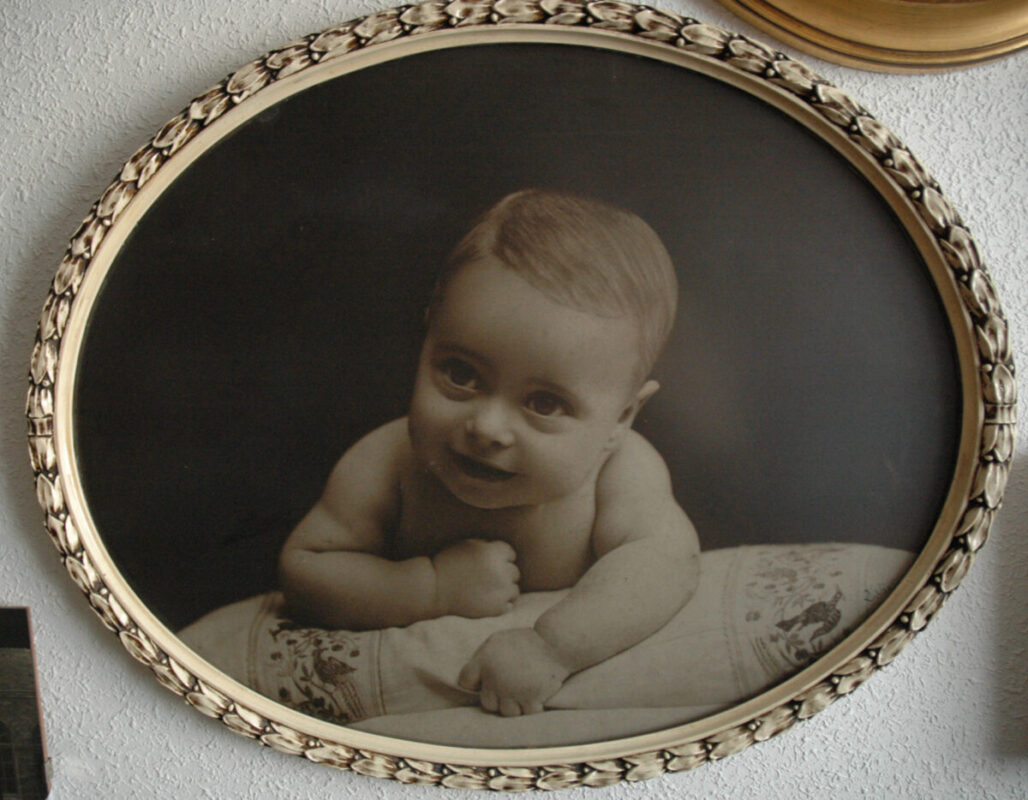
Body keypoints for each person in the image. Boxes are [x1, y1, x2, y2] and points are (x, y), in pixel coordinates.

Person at [279, 189, 700, 716]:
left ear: (621, 418)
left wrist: (553, 647)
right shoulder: (390, 459)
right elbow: (305, 568)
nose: (487, 428)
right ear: (427, 339)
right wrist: (429, 588)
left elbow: (667, 563)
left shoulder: (620, 469)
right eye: (461, 374)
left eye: (544, 403)